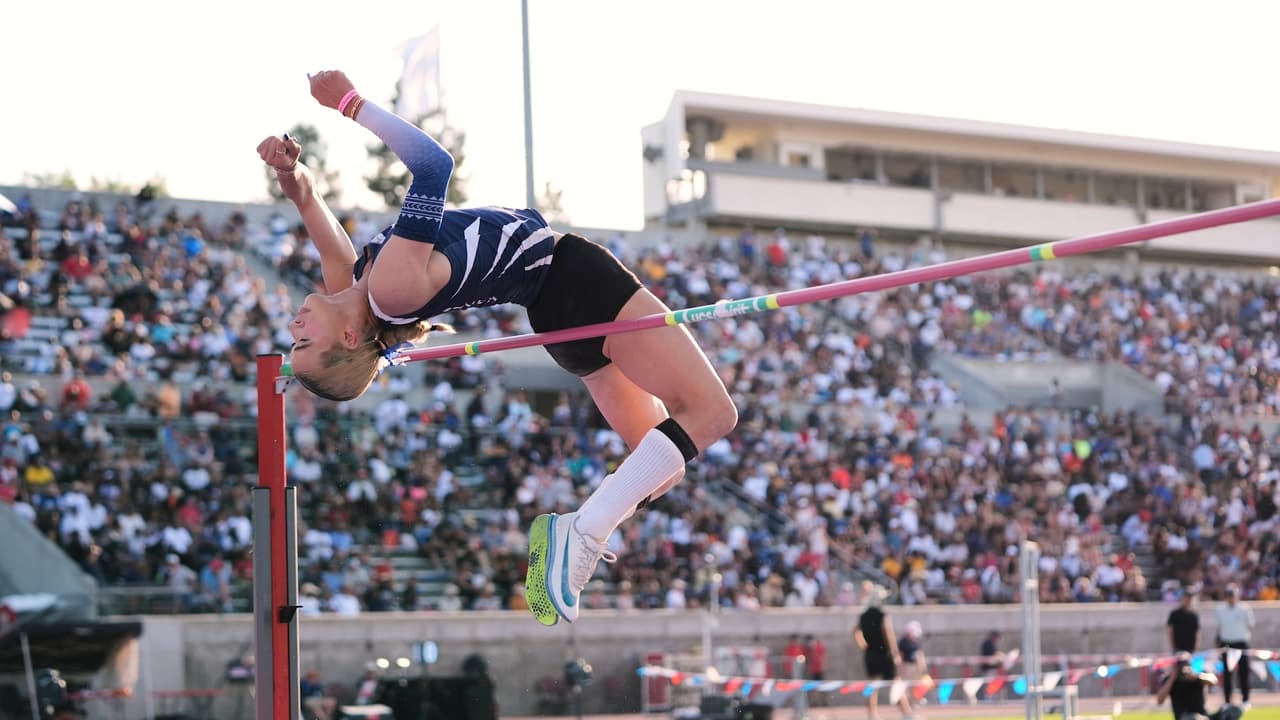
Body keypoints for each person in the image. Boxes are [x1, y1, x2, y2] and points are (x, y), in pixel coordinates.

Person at [263, 70, 736, 628]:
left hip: (555, 316)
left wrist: (294, 178)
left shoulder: (358, 286)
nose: (294, 323)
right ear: (347, 339)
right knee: (712, 414)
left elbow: (314, 205)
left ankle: (584, 531)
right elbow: (435, 166)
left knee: (660, 464)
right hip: (573, 280)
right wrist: (350, 103)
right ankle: (579, 532)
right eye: (303, 338)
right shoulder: (389, 287)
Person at [852, 584, 913, 720]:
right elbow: (888, 634)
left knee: (872, 685)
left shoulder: (864, 616)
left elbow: (855, 632)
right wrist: (895, 653)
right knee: (895, 683)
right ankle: (906, 712)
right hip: (884, 653)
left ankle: (872, 714)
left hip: (870, 654)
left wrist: (864, 646)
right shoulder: (882, 615)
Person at [1214, 583, 1254, 708]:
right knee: (1227, 674)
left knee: (1244, 673)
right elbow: (1219, 628)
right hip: (1227, 644)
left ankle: (1245, 700)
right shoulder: (1220, 609)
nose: (1231, 598)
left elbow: (1250, 625)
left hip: (1241, 643)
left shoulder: (1245, 609)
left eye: (1233, 595)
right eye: (1229, 595)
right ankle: (1227, 701)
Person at [1154, 653, 1220, 720]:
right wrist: (1172, 677)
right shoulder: (1171, 680)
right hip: (1184, 717)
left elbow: (1214, 680)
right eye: (1180, 664)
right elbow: (1160, 700)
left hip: (1203, 715)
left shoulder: (1198, 675)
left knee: (1227, 711)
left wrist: (1197, 676)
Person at [1167, 585, 1200, 653]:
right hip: (1178, 649)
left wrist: (1196, 648)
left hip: (1191, 650)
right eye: (1187, 597)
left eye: (1191, 598)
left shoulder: (1194, 615)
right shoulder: (1175, 613)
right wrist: (1173, 648)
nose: (1189, 600)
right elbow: (1170, 631)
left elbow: (1197, 632)